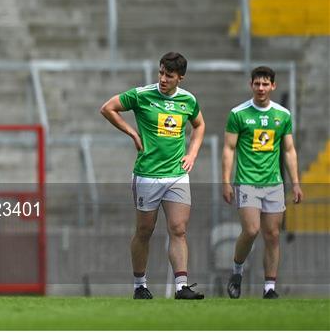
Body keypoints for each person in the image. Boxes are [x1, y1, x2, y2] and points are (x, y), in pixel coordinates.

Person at [101, 52, 206, 300]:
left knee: (179, 229)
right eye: (160, 72)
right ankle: (140, 284)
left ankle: (181, 286)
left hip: (177, 175)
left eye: (169, 75)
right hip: (147, 174)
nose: (163, 79)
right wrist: (132, 133)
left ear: (181, 77)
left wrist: (192, 154)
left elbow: (199, 125)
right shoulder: (142, 95)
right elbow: (108, 108)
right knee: (144, 231)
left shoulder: (188, 100)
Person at [222, 66, 303, 299]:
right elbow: (229, 149)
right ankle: (237, 271)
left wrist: (296, 183)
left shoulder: (283, 115)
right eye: (257, 83)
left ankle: (269, 288)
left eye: (265, 84)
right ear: (251, 85)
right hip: (247, 181)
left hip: (274, 183)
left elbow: (289, 150)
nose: (261, 88)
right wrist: (226, 181)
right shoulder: (238, 113)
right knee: (251, 230)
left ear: (273, 86)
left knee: (273, 234)